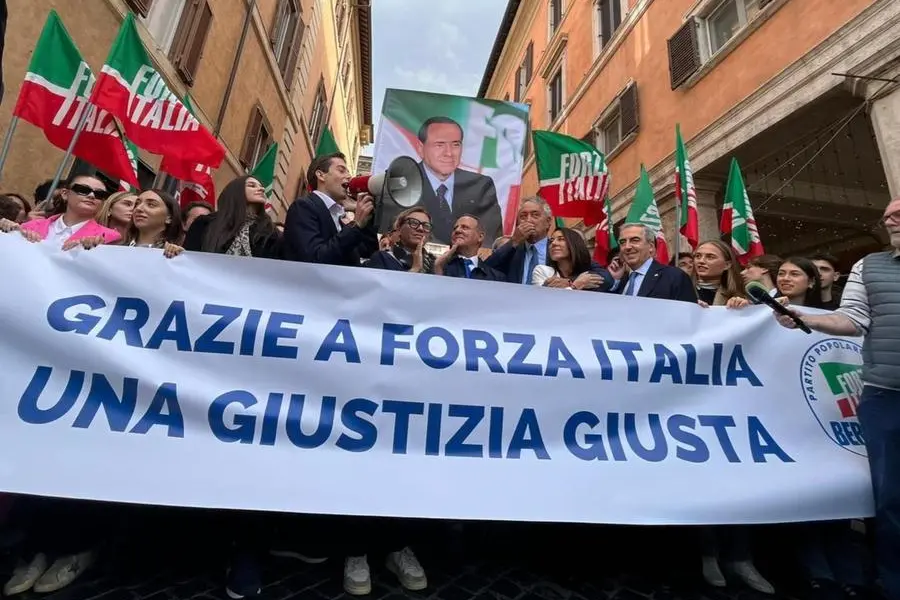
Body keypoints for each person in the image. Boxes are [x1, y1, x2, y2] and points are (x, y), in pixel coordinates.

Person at [775, 198, 900, 600]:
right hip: (885, 397)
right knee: (891, 499)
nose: (890, 220)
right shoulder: (869, 266)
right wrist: (805, 318)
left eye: (899, 213)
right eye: (887, 216)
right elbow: (852, 319)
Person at [382, 116, 501, 246]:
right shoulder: (401, 181)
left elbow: (488, 239)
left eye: (455, 144)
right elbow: (390, 231)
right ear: (420, 148)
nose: (449, 153)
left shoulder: (481, 185)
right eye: (439, 145)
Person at [283, 152, 378, 265]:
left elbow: (369, 253)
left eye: (348, 172)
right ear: (321, 175)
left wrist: (366, 216)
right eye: (341, 171)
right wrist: (356, 225)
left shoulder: (340, 220)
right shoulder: (303, 207)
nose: (349, 176)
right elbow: (314, 258)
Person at [0, 175, 120, 248]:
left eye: (99, 194)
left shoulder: (110, 238)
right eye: (83, 190)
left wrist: (95, 251)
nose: (91, 196)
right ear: (65, 194)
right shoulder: (29, 226)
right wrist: (5, 230)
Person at [184, 176, 281, 259]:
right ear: (236, 191)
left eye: (261, 186)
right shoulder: (205, 223)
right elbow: (189, 258)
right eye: (251, 185)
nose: (262, 189)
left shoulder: (271, 233)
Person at [615, 223, 697, 302]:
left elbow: (686, 310)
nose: (627, 247)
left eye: (635, 240)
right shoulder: (619, 280)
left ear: (651, 247)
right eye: (622, 242)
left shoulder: (675, 276)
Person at [531, 228, 608, 291]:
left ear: (574, 245)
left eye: (561, 239)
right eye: (551, 241)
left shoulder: (588, 267)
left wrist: (569, 281)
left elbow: (608, 280)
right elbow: (545, 301)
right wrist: (575, 285)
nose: (553, 243)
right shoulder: (542, 271)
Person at [434, 215, 506, 280]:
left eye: (465, 227)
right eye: (455, 228)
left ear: (480, 237)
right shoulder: (439, 267)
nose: (457, 230)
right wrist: (438, 268)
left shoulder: (496, 278)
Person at [366, 207, 435, 272]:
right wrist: (415, 269)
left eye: (426, 226)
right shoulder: (382, 258)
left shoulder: (435, 265)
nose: (421, 228)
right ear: (399, 228)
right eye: (414, 223)